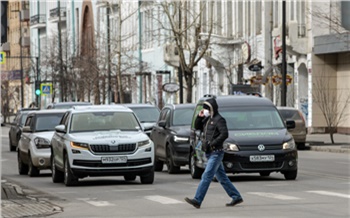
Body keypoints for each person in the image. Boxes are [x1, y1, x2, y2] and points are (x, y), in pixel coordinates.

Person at [185, 98, 243, 209]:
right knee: (222, 178)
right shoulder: (207, 119)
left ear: (212, 108)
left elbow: (224, 134)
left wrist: (212, 144)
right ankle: (236, 196)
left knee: (206, 176)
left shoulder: (219, 120)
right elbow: (197, 126)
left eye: (206, 108)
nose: (205, 110)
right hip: (209, 153)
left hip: (216, 152)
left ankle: (197, 200)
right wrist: (199, 116)